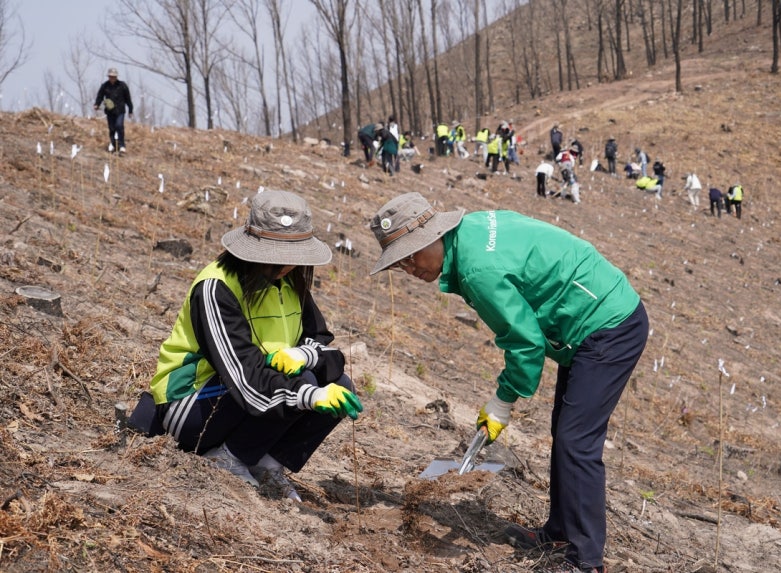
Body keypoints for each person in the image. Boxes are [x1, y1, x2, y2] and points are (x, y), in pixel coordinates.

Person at [369, 193, 648, 573]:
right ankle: (560, 533)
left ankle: (585, 560)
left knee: (576, 441)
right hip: (588, 317)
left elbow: (525, 341)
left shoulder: (477, 270)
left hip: (608, 324)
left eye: (410, 255)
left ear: (433, 235)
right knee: (566, 433)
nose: (408, 268)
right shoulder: (472, 231)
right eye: (398, 263)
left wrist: (503, 401)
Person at [144, 190, 363, 500]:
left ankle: (266, 464)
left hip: (250, 396)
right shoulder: (216, 287)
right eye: (278, 255)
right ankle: (228, 458)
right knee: (305, 384)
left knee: (340, 385)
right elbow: (244, 378)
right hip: (191, 406)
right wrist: (309, 395)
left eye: (294, 256)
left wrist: (302, 354)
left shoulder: (290, 283)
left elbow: (325, 347)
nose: (287, 265)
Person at [93, 67, 133, 154]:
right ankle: (114, 144)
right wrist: (97, 104)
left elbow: (128, 98)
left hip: (120, 110)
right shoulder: (105, 86)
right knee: (112, 128)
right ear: (108, 76)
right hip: (110, 111)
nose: (112, 78)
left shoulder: (122, 86)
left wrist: (130, 110)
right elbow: (100, 96)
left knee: (119, 126)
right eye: (111, 76)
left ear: (116, 77)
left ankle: (122, 145)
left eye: (114, 76)